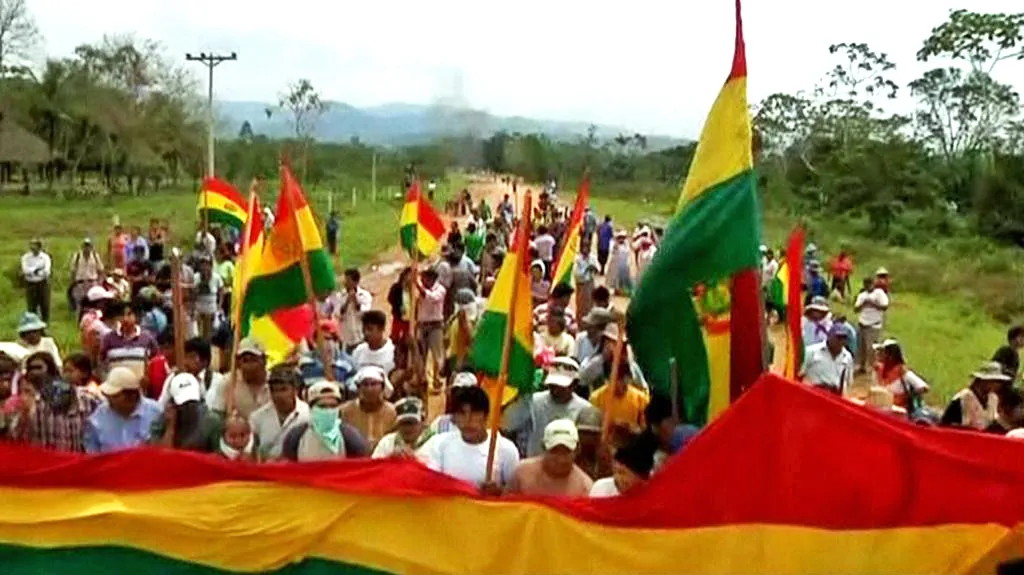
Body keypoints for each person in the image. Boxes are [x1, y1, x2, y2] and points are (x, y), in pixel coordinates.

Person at [422, 385, 520, 493]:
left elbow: (516, 494)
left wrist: (499, 492)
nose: (468, 420)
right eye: (462, 413)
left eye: (475, 413)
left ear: (486, 416)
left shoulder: (505, 449)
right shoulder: (438, 444)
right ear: (454, 418)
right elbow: (419, 474)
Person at [504, 358, 591, 457]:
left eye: (561, 386)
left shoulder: (585, 410)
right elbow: (507, 426)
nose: (556, 390)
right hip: (534, 463)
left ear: (574, 384)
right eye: (553, 385)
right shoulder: (533, 401)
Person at [282, 381, 369, 461]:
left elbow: (360, 469)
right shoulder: (296, 436)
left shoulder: (350, 437)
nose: (328, 411)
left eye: (333, 406)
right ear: (311, 408)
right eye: (322, 406)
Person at [84, 367, 162, 453]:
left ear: (132, 396)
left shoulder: (156, 413)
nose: (109, 400)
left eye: (115, 396)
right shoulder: (98, 417)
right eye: (107, 395)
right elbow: (92, 453)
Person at [507, 419, 594, 496]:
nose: (561, 459)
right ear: (543, 447)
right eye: (554, 451)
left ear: (577, 450)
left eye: (567, 452)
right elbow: (506, 507)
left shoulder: (585, 487)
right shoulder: (521, 474)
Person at [249, 365, 310, 461]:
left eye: (283, 389)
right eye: (274, 390)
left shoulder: (308, 415)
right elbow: (251, 451)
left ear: (295, 390)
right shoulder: (257, 417)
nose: (279, 395)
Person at [205, 338, 269, 418]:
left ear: (264, 360)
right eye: (245, 360)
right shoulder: (228, 382)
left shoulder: (275, 383)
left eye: (253, 360)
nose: (249, 366)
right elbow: (217, 416)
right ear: (238, 362)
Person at [99, 299, 158, 384]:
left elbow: (155, 361)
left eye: (129, 314)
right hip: (116, 389)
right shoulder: (108, 339)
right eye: (122, 315)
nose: (125, 319)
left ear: (136, 316)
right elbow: (101, 364)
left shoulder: (147, 338)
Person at [340, 365, 397, 449]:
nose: (369, 389)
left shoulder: (393, 411)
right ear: (359, 388)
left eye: (373, 384)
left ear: (382, 387)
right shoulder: (346, 410)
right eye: (365, 384)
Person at [940, 362, 1009, 431]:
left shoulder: (993, 399)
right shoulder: (963, 398)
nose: (998, 385)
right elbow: (948, 425)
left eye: (999, 381)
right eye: (994, 381)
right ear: (982, 380)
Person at [872, 339, 929, 413]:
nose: (878, 354)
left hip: (899, 414)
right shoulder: (879, 369)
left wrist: (906, 397)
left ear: (891, 355)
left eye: (882, 352)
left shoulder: (903, 372)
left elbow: (924, 387)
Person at [589, 437, 655, 497]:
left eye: (622, 473)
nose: (617, 478)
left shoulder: (654, 493)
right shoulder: (600, 489)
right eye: (616, 471)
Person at [800, 324, 854, 395]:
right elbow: (799, 374)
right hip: (813, 394)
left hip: (835, 396)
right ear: (829, 336)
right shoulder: (811, 351)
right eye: (838, 337)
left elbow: (848, 381)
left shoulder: (847, 356)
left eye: (844, 338)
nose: (841, 341)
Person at [854, 273, 890, 374]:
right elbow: (855, 309)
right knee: (861, 347)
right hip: (862, 323)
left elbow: (884, 307)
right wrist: (864, 303)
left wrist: (872, 303)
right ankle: (861, 366)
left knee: (872, 349)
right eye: (866, 285)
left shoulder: (879, 293)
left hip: (873, 325)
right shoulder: (862, 295)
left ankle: (873, 368)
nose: (868, 286)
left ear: (873, 284)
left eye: (869, 284)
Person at [22, 238, 52, 323]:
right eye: (31, 245)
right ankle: (33, 325)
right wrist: (37, 270)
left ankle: (44, 325)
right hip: (30, 284)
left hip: (42, 284)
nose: (32, 247)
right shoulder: (26, 257)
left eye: (34, 245)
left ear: (39, 247)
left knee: (45, 306)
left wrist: (32, 271)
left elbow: (46, 272)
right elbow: (25, 270)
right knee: (31, 307)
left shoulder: (45, 257)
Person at [192, 257, 222, 340]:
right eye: (202, 264)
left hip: (211, 307)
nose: (204, 267)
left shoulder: (216, 277)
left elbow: (221, 291)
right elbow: (192, 293)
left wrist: (219, 305)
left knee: (208, 333)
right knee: (198, 333)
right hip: (199, 307)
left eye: (206, 264)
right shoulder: (196, 277)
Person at [573, 241, 600, 319]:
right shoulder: (577, 259)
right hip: (581, 285)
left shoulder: (593, 258)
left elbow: (598, 268)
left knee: (591, 303)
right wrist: (586, 270)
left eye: (587, 247)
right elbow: (576, 274)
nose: (585, 249)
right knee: (581, 305)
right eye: (583, 247)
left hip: (590, 283)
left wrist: (594, 269)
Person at [387, 268, 413, 345]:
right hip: (399, 317)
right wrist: (399, 307)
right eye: (410, 275)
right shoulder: (396, 287)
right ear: (404, 276)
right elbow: (390, 299)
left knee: (406, 340)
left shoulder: (412, 289)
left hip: (409, 319)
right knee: (395, 337)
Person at [606, 231, 633, 295]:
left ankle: (621, 290)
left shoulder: (626, 245)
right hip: (616, 264)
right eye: (620, 237)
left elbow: (628, 252)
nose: (622, 239)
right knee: (615, 277)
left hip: (624, 264)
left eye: (623, 238)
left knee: (623, 277)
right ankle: (616, 290)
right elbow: (612, 251)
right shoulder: (614, 244)